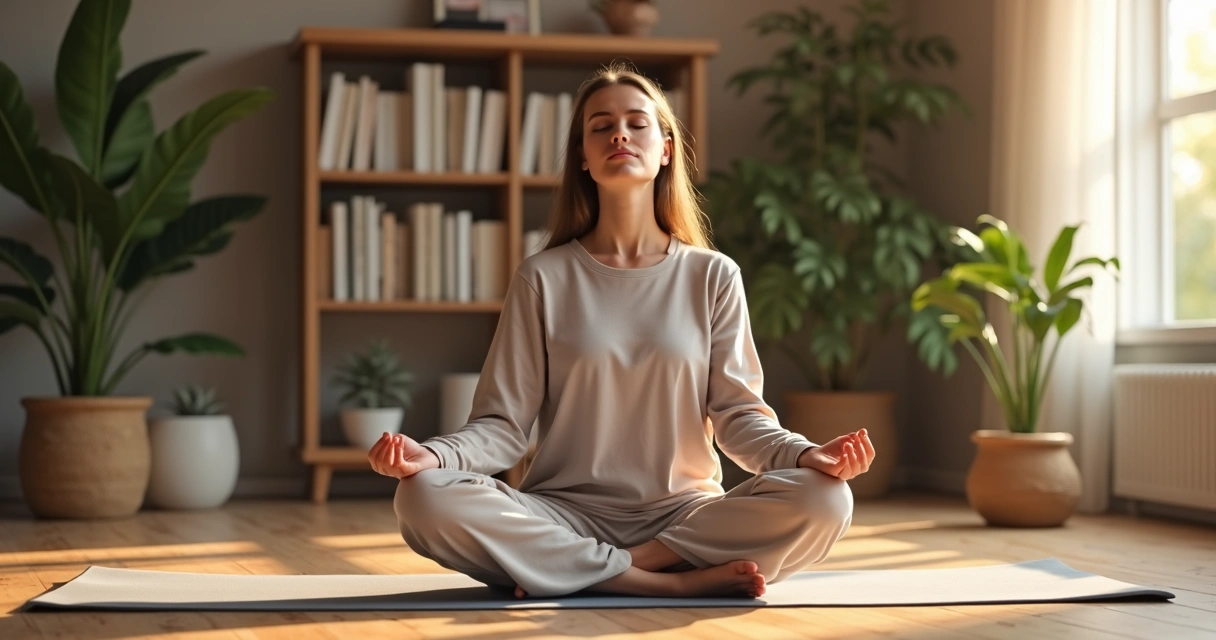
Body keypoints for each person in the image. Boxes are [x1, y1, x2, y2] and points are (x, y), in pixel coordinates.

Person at [367, 61, 876, 600]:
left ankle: (611, 568)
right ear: (583, 159)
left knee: (826, 499)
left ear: (665, 149)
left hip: (684, 520)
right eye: (600, 125)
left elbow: (739, 418)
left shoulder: (713, 275)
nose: (619, 134)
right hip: (560, 514)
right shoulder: (543, 277)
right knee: (422, 498)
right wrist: (435, 457)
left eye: (637, 123)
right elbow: (502, 425)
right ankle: (667, 586)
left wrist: (805, 456)